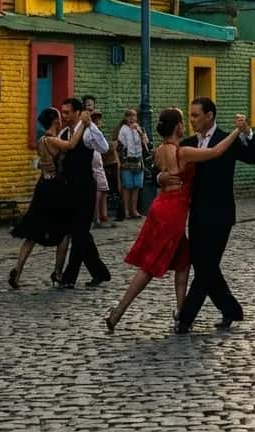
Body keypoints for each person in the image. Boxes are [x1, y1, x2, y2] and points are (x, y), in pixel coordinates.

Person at [105, 108, 246, 333]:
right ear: (178, 126)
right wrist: (237, 131)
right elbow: (216, 151)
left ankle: (182, 314)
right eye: (184, 120)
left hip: (161, 206)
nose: (189, 122)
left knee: (183, 261)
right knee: (150, 265)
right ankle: (118, 311)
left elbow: (160, 172)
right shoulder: (184, 151)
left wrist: (162, 177)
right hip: (172, 213)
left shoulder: (160, 149)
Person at [173, 96, 255, 333]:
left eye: (196, 115)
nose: (192, 120)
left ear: (209, 116)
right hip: (197, 214)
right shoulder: (189, 143)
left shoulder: (227, 140)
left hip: (221, 214)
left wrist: (247, 132)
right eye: (190, 115)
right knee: (204, 265)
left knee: (206, 268)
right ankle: (231, 310)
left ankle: (185, 319)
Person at [8, 107, 89, 289]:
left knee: (32, 233)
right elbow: (71, 145)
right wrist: (82, 125)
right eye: (59, 117)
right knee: (64, 231)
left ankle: (18, 269)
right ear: (54, 121)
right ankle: (58, 272)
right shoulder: (52, 140)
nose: (62, 120)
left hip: (42, 186)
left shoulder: (40, 141)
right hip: (55, 188)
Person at [59, 96, 111, 289]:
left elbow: (104, 147)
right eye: (62, 112)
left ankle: (69, 278)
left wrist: (91, 125)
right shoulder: (65, 133)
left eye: (67, 112)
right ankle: (100, 272)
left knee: (80, 233)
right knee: (80, 233)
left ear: (77, 113)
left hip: (85, 187)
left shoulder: (88, 132)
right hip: (70, 188)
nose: (64, 116)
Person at [116, 109, 148, 220]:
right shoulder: (123, 130)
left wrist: (139, 132)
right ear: (126, 118)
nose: (131, 118)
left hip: (138, 161)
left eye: (133, 116)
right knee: (127, 186)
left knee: (136, 186)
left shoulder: (140, 129)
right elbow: (120, 145)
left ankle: (134, 210)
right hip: (127, 161)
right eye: (129, 116)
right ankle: (126, 210)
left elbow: (146, 143)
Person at [90, 112, 112, 227]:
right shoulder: (91, 132)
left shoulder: (97, 133)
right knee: (98, 191)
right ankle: (96, 218)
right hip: (94, 164)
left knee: (103, 189)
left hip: (98, 163)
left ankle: (103, 216)